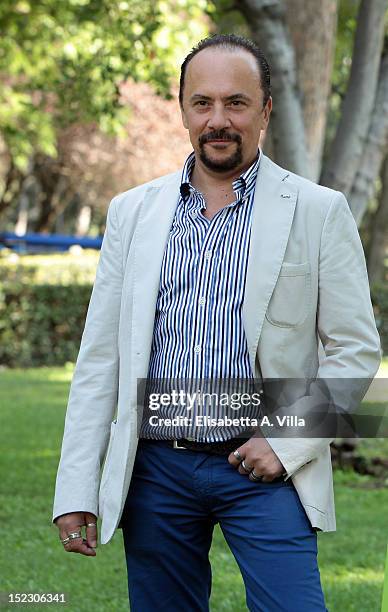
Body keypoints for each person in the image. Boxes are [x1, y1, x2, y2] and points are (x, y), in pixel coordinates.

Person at [53, 34, 381, 611]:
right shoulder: (132, 213)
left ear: (265, 110)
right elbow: (100, 358)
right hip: (155, 471)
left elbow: (355, 350)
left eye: (236, 102)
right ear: (183, 110)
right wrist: (76, 488)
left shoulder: (317, 210)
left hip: (265, 468)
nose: (218, 119)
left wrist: (287, 441)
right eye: (202, 103)